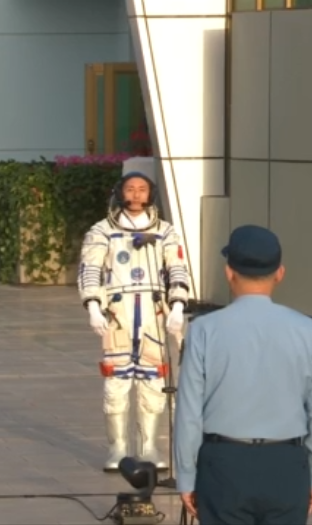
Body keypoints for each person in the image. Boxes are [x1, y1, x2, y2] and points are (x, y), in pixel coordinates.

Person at [173, 224, 312, 525]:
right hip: (286, 465)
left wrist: (186, 475)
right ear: (280, 273)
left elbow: (189, 413)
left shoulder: (203, 330)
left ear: (229, 272)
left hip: (223, 464)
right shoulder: (309, 331)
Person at [77, 171, 191, 473]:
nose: (137, 194)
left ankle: (148, 446)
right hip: (118, 314)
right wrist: (93, 306)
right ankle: (117, 448)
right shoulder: (102, 231)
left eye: (142, 189)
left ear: (151, 194)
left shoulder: (165, 232)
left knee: (153, 381)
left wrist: (178, 305)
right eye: (130, 189)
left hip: (154, 314)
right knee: (116, 382)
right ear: (120, 192)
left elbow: (177, 269)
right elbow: (90, 270)